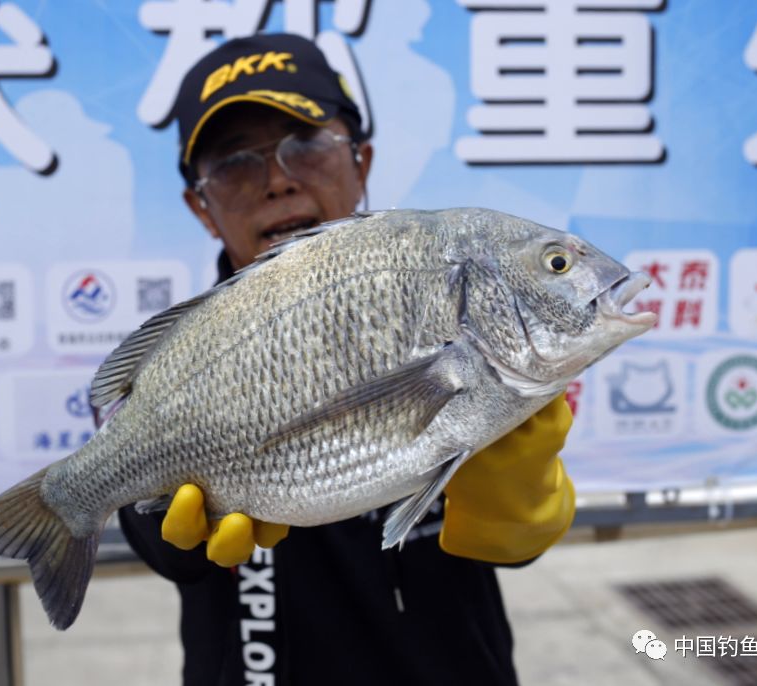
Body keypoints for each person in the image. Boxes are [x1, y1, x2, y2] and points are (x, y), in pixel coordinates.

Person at [118, 33, 576, 686]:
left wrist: (524, 497)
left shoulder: (453, 303)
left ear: (360, 161)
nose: (277, 180)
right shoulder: (172, 356)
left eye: (305, 144)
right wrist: (163, 522)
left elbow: (514, 543)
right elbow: (163, 548)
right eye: (234, 164)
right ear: (201, 206)